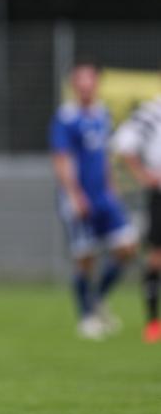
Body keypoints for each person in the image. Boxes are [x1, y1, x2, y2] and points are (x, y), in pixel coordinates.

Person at [50, 62, 137, 340]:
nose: (86, 85)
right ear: (74, 85)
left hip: (104, 197)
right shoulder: (66, 118)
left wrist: (111, 186)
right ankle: (86, 317)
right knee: (85, 258)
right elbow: (62, 160)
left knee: (127, 248)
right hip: (80, 198)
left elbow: (103, 156)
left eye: (90, 80)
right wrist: (75, 195)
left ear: (97, 83)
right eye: (80, 81)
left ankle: (97, 299)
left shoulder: (102, 113)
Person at [112, 94, 161, 343]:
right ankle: (153, 322)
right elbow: (124, 142)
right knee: (156, 257)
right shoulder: (153, 111)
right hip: (159, 194)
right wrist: (142, 175)